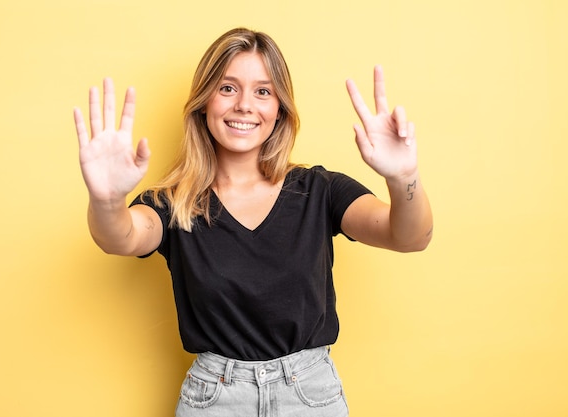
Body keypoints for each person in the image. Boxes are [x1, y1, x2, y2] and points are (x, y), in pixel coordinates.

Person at [73, 27, 432, 417]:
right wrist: (106, 199)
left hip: (310, 396)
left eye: (263, 91)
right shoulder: (173, 204)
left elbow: (410, 237)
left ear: (279, 108)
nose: (245, 104)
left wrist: (403, 178)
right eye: (228, 88)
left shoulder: (320, 190)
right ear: (204, 102)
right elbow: (120, 237)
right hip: (214, 400)